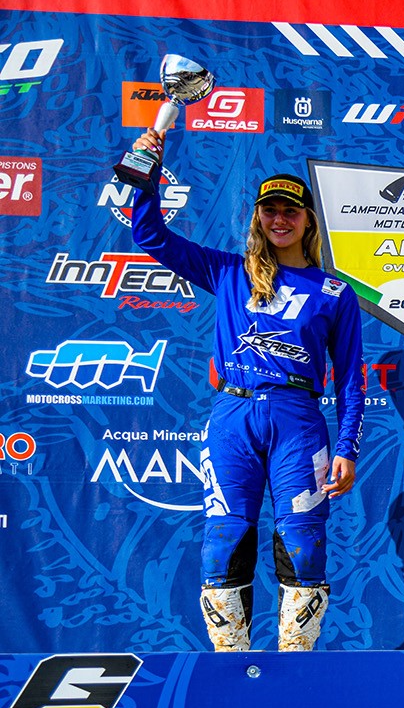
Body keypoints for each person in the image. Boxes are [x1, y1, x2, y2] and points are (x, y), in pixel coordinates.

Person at [126, 130, 363, 652]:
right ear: (257, 217)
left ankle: (295, 667)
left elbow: (350, 377)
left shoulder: (335, 292)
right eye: (269, 210)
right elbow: (150, 236)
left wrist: (347, 447)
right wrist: (148, 171)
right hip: (232, 416)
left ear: (308, 220)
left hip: (299, 422)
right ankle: (231, 664)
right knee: (223, 541)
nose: (280, 220)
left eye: (290, 212)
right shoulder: (229, 271)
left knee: (303, 542)